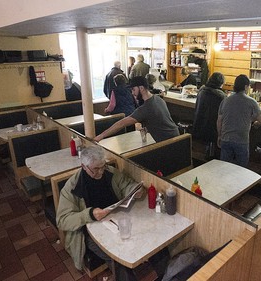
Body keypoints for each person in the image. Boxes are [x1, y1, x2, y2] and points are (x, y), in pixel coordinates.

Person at [56, 145, 140, 279]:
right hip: (89, 232)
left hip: (114, 220)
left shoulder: (109, 172)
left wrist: (134, 190)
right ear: (84, 166)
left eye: (103, 166)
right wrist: (89, 214)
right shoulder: (72, 187)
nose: (100, 172)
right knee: (117, 257)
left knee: (140, 238)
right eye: (96, 169)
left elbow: (125, 184)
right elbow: (62, 220)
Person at [94, 76, 179, 142]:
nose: (132, 93)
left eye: (133, 89)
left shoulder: (146, 108)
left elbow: (121, 124)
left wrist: (100, 136)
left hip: (167, 143)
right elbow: (161, 120)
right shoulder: (158, 99)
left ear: (141, 88)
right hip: (177, 137)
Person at [217, 74, 261, 167]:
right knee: (241, 170)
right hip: (241, 140)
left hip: (226, 139)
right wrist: (255, 123)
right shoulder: (251, 102)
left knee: (223, 168)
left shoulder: (226, 100)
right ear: (246, 87)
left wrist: (219, 136)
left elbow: (219, 121)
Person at [192, 72, 226, 159]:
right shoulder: (221, 96)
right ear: (220, 83)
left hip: (199, 124)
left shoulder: (202, 91)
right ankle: (213, 156)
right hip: (213, 129)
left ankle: (208, 152)